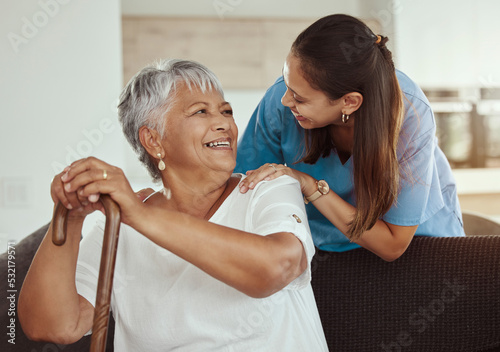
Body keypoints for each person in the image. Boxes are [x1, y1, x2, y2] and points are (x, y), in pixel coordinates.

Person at [18, 59, 328, 351]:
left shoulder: (268, 187)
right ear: (153, 140)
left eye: (226, 111)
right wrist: (70, 218)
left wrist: (140, 216)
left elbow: (277, 268)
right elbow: (53, 326)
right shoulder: (117, 225)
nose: (224, 124)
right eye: (200, 112)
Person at [236, 14, 465, 262]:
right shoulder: (280, 101)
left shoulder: (410, 113)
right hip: (319, 248)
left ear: (349, 102)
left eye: (299, 98)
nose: (284, 100)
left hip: (416, 246)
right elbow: (244, 193)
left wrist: (309, 185)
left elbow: (392, 245)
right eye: (287, 84)